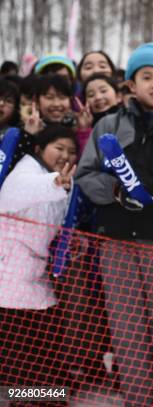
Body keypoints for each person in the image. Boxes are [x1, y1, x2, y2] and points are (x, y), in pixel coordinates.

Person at [75, 43, 153, 406]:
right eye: (146, 77)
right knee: (126, 328)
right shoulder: (108, 125)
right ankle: (136, 399)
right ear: (131, 84)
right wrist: (113, 190)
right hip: (116, 242)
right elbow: (85, 174)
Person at [0, 124, 77, 390]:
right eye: (59, 148)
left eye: (71, 150)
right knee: (22, 358)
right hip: (10, 277)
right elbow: (12, 195)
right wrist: (53, 183)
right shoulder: (27, 171)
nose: (65, 155)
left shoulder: (60, 178)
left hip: (35, 275)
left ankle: (47, 395)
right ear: (38, 149)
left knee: (40, 353)